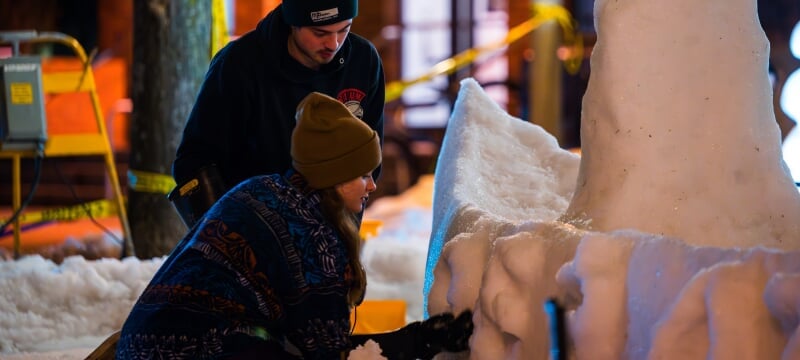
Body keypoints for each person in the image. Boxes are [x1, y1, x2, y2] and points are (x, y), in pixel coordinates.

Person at [116, 93, 471, 360]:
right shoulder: (312, 239)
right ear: (333, 176)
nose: (372, 186)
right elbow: (331, 356)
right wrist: (422, 340)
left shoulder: (257, 189)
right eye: (363, 175)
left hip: (137, 344)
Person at [169, 0, 386, 228]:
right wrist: (225, 237)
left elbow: (369, 158)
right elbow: (194, 162)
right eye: (319, 32)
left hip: (333, 229)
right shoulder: (238, 66)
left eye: (344, 29)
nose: (333, 43)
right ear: (293, 23)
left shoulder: (364, 62)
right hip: (252, 230)